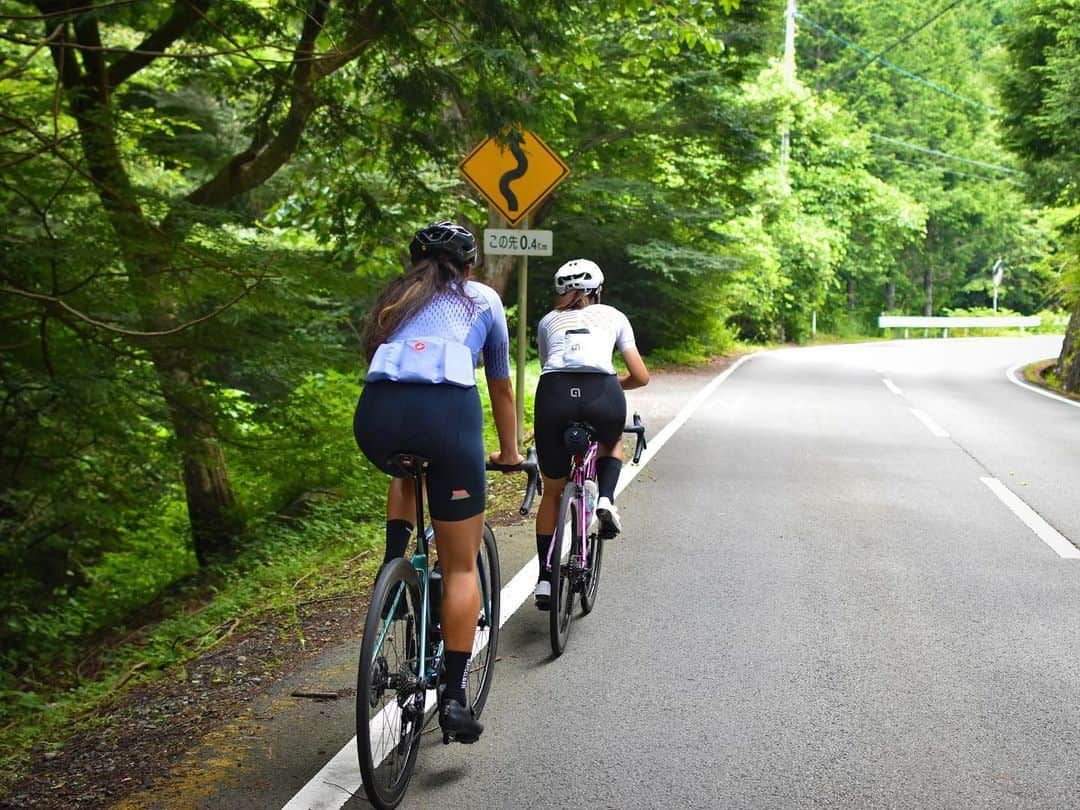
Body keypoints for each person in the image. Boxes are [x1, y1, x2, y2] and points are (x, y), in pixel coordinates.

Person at [353, 221, 521, 742]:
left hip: (377, 419)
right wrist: (510, 453)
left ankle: (394, 565)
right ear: (468, 266)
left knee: (407, 466)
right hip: (448, 418)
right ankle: (452, 695)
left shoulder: (393, 302)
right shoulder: (483, 300)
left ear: (415, 262)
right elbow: (500, 388)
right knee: (461, 567)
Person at [531, 259, 649, 606]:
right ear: (599, 290)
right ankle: (606, 499)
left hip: (554, 395)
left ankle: (544, 580)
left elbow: (547, 365)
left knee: (552, 492)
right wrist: (613, 391)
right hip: (603, 393)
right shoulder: (613, 316)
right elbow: (640, 376)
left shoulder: (548, 320)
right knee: (611, 442)